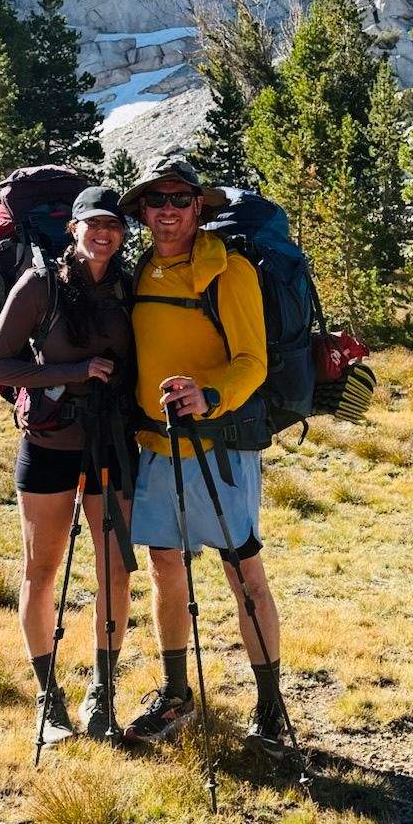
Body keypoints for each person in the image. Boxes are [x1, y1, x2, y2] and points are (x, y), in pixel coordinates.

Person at [118, 156, 287, 752]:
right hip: (155, 446)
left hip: (217, 448)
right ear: (142, 211)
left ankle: (270, 708)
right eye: (157, 200)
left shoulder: (228, 270)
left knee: (242, 570)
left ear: (199, 208)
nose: (168, 210)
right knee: (165, 565)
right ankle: (175, 695)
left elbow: (253, 362)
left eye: (180, 200)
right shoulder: (137, 271)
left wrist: (208, 395)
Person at [0, 187, 136, 743]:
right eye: (92, 223)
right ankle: (49, 700)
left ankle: (103, 692)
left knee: (114, 569)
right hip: (49, 444)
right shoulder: (39, 284)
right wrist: (71, 374)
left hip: (111, 443)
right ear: (72, 228)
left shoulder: (127, 286)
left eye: (113, 225)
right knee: (42, 571)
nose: (103, 233)